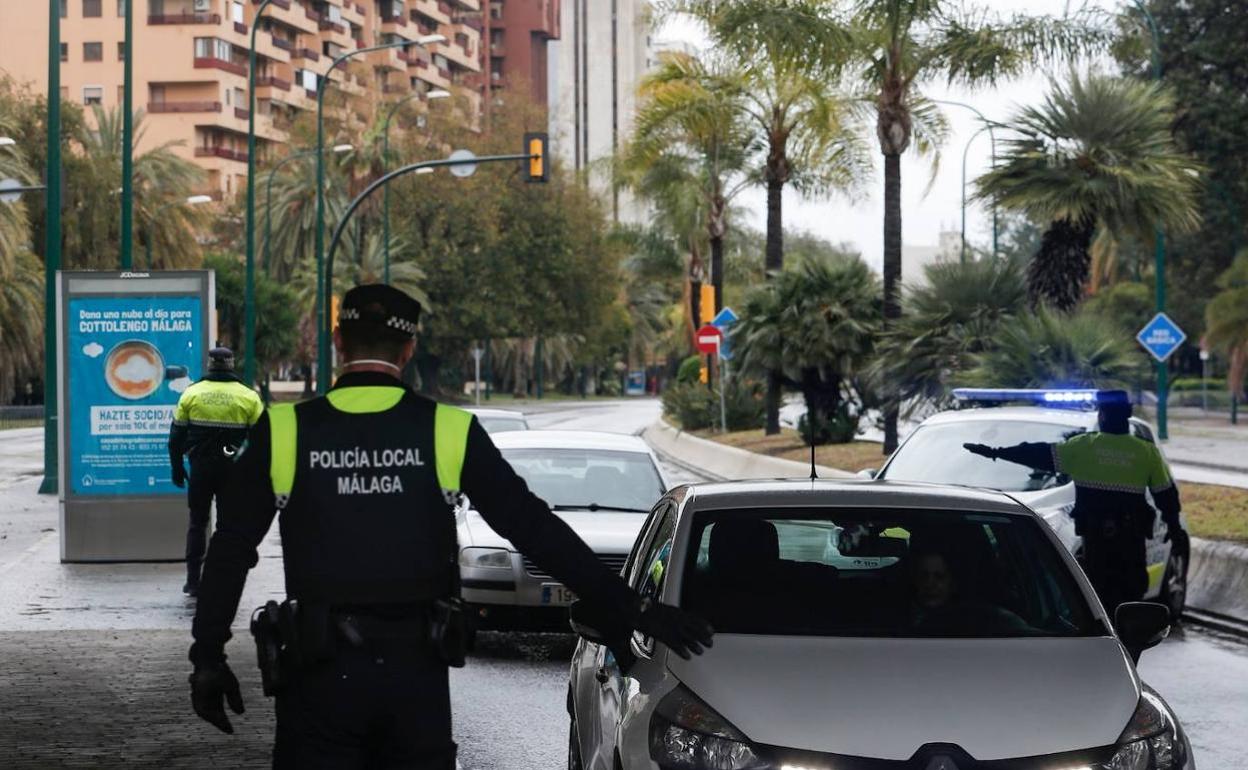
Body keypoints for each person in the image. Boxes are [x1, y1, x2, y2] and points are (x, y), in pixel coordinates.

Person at [187, 284, 713, 769]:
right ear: (409, 349)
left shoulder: (283, 430)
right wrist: (634, 607)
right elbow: (533, 529)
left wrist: (207, 656)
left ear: (338, 341)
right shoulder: (447, 430)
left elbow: (231, 550)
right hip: (413, 676)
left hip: (317, 678)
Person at [963, 391, 1186, 616]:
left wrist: (996, 453)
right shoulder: (1146, 452)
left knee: (1095, 600)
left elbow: (1037, 453)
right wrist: (1175, 530)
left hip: (1096, 547)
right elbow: (1166, 495)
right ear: (1127, 415)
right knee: (1130, 604)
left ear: (1102, 416)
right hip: (1131, 548)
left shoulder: (1083, 447)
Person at [169, 346, 263, 597]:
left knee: (197, 523)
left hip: (201, 469)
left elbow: (176, 436)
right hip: (234, 471)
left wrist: (177, 469)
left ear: (210, 365)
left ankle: (192, 582)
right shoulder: (249, 396)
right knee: (227, 527)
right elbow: (262, 440)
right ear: (231, 364)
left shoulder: (192, 393)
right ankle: (223, 581)